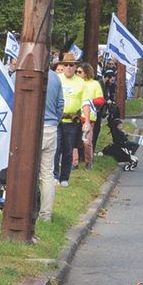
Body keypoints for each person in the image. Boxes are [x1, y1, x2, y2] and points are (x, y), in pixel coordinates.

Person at [53, 52, 88, 187]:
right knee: (55, 149)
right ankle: (55, 175)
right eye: (66, 65)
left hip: (72, 122)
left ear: (75, 67)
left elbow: (85, 103)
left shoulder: (81, 83)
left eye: (71, 65)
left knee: (68, 150)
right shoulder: (57, 79)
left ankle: (64, 177)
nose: (68, 67)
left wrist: (86, 122)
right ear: (62, 65)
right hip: (57, 120)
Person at [39, 69, 64, 222]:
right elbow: (60, 104)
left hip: (27, 129)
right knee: (47, 174)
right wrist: (55, 121)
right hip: (50, 127)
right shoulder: (55, 77)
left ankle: (27, 211)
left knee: (26, 173)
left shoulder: (18, 74)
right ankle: (45, 215)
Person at [72, 63, 105, 170]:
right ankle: (74, 162)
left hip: (89, 117)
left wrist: (89, 101)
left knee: (86, 141)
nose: (77, 73)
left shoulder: (95, 84)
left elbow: (101, 100)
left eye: (80, 72)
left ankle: (88, 162)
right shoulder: (75, 83)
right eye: (76, 71)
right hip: (75, 116)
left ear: (86, 73)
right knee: (73, 141)